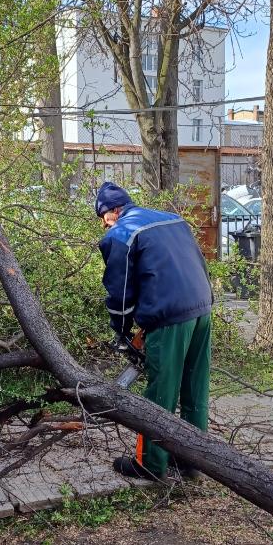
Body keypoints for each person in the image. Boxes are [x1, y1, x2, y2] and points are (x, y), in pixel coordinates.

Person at [95, 181, 213, 481]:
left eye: (103, 219)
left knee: (161, 391)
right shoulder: (172, 220)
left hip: (170, 316)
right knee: (193, 388)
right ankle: (192, 460)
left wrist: (121, 332)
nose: (104, 225)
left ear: (112, 212)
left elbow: (120, 291)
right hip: (201, 308)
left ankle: (149, 463)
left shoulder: (121, 233)